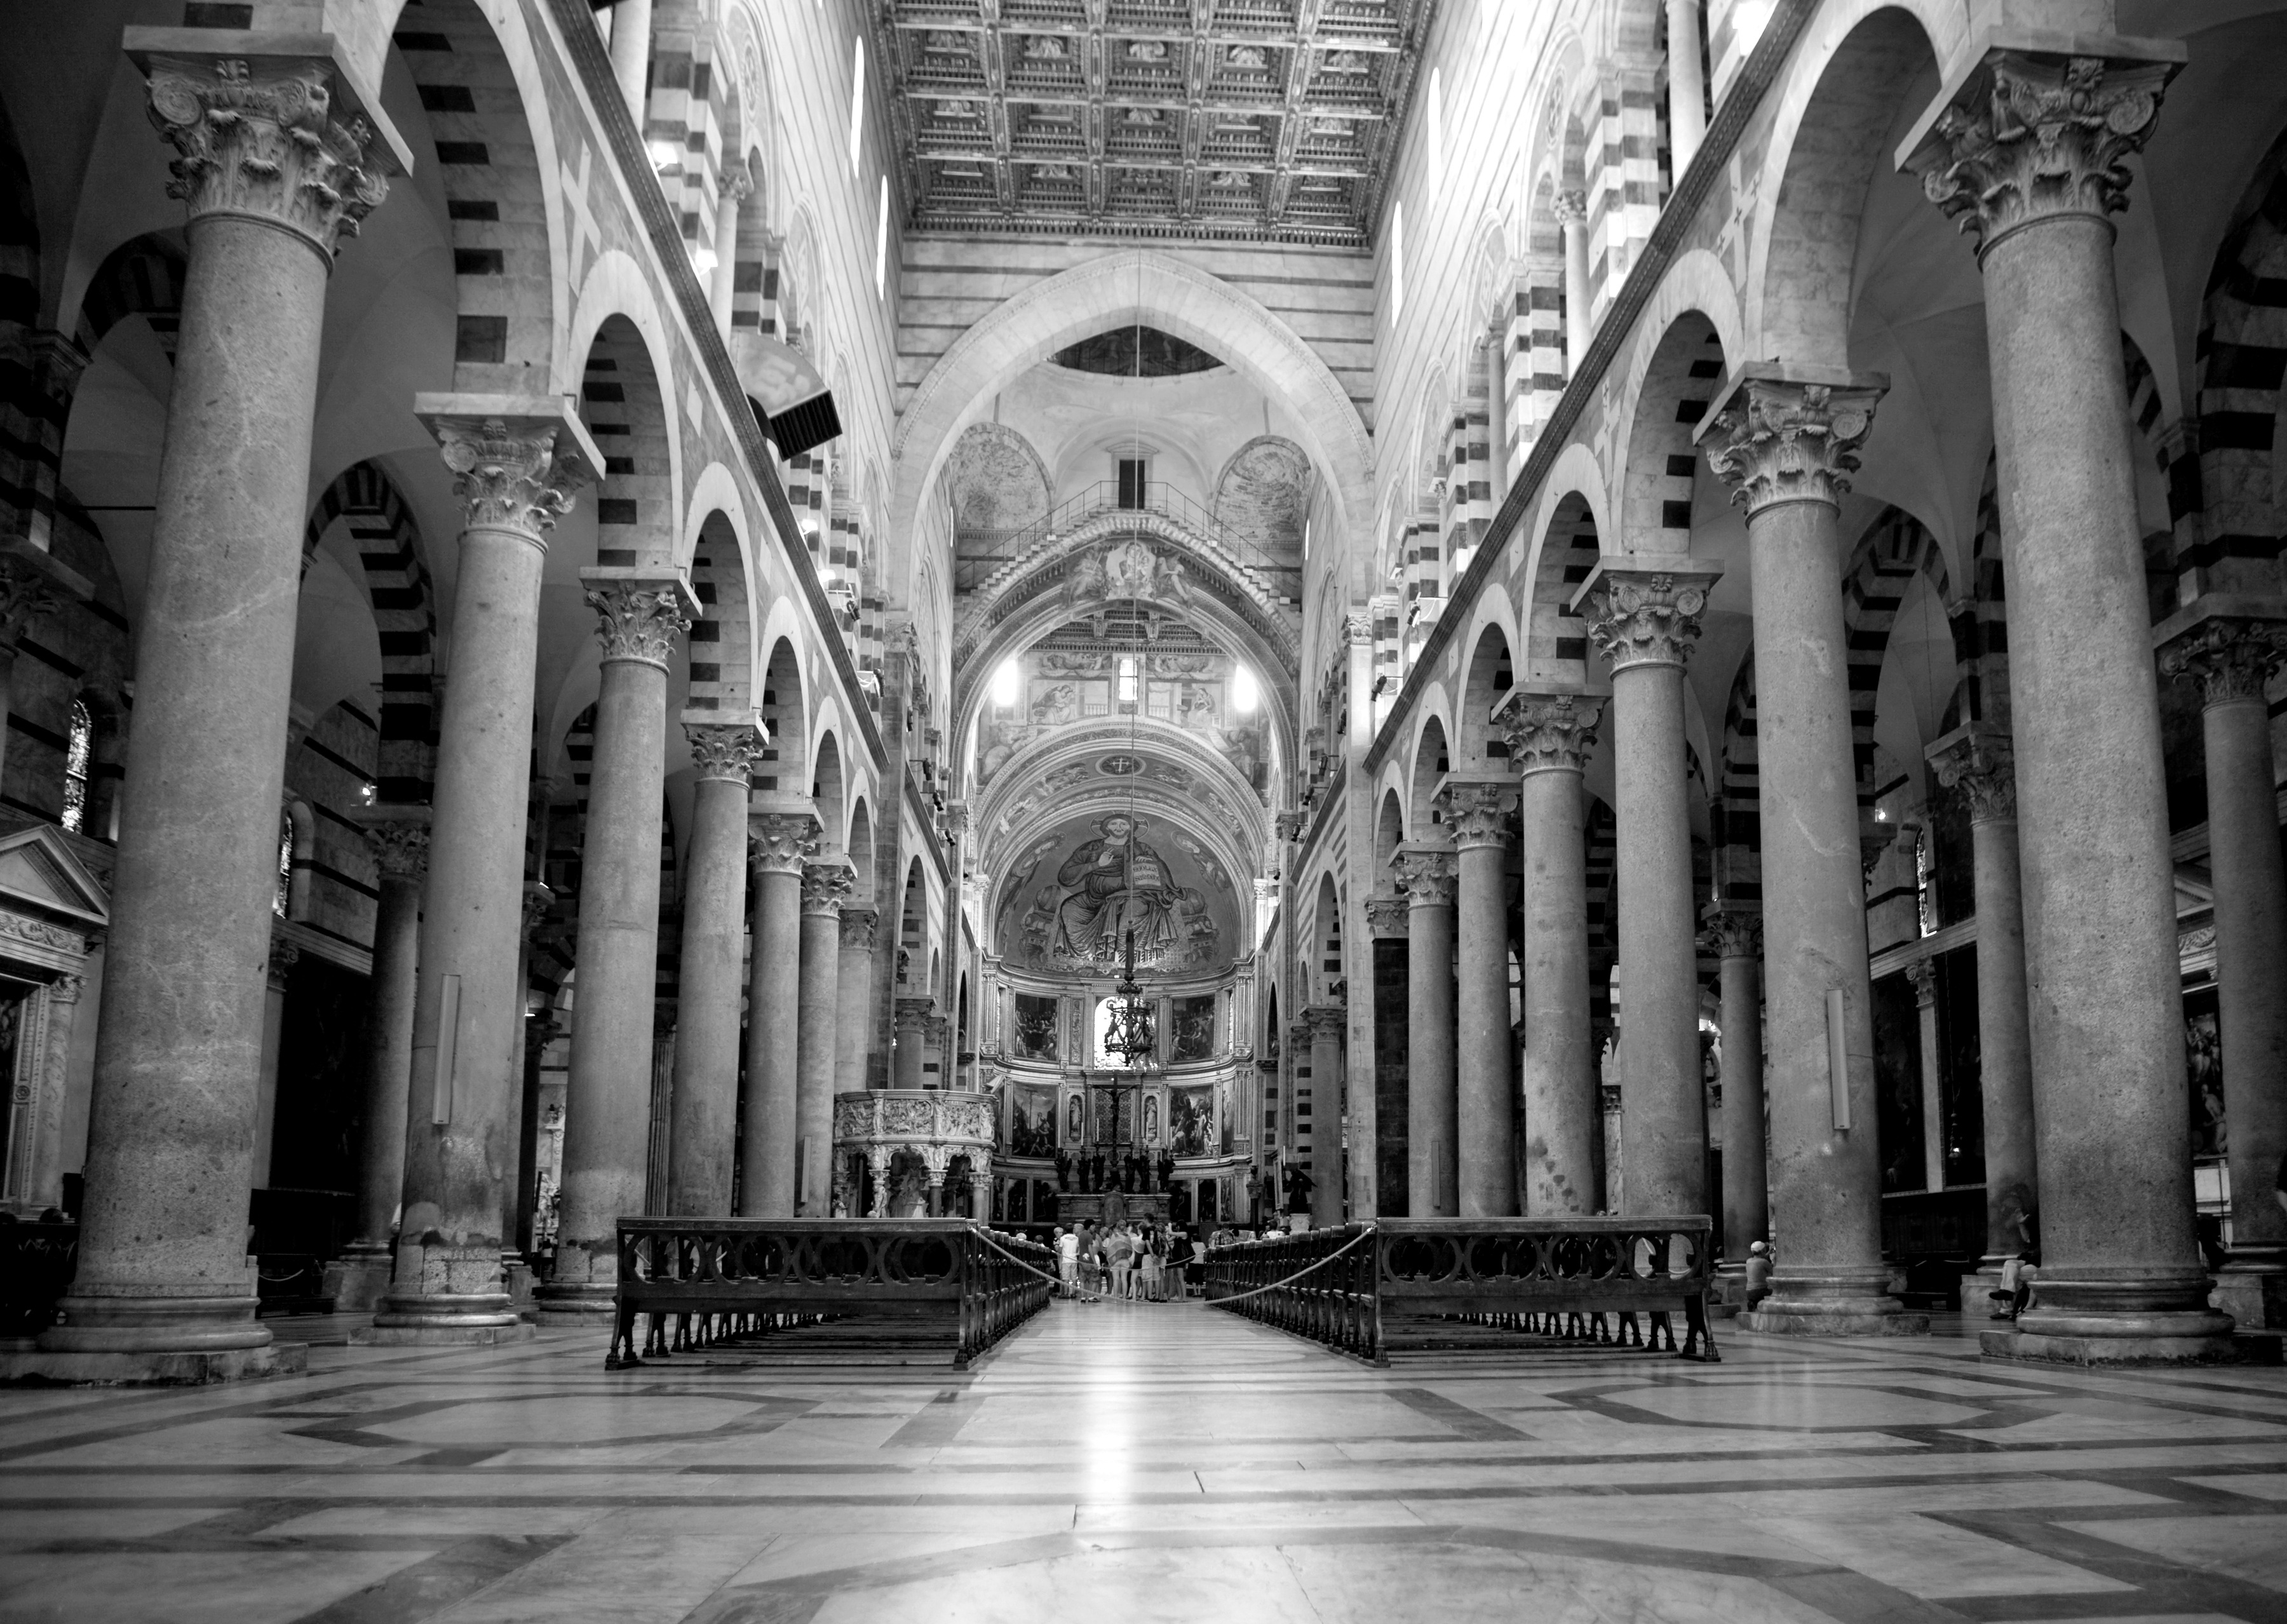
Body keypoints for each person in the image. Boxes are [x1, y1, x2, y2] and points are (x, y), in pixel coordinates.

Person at [1055, 1225, 1077, 1301]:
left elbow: (1060, 1250)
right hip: (1074, 1259)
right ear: (1073, 1230)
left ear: (1065, 1231)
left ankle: (1066, 1293)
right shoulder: (1076, 1238)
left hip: (1066, 1260)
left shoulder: (1063, 1238)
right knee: (1074, 1277)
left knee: (1065, 1277)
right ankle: (1073, 1293)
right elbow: (1077, 1249)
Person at [1140, 1228, 1164, 1301]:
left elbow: (1148, 1244)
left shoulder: (1147, 1230)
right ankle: (1157, 1296)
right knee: (1156, 1277)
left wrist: (1152, 1255)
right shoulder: (1157, 1231)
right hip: (1158, 1256)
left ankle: (1150, 1296)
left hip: (1149, 1255)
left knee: (1148, 1277)